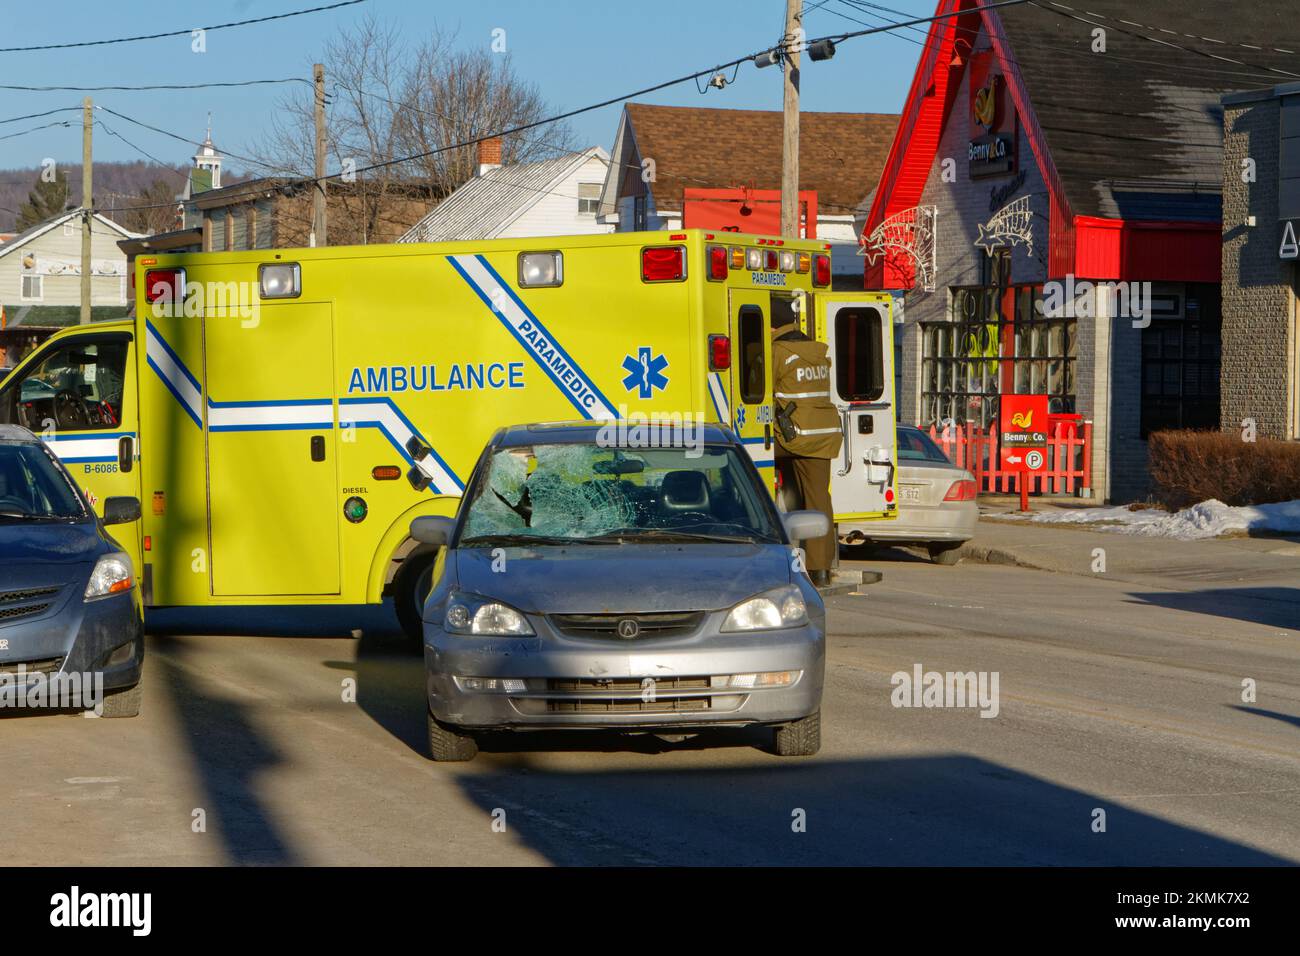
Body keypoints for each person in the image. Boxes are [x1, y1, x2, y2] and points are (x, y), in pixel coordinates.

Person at [771, 302, 842, 587]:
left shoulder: (778, 352)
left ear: (773, 326)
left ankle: (777, 554)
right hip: (824, 434)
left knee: (748, 472)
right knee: (818, 499)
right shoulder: (817, 352)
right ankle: (821, 568)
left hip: (793, 435)